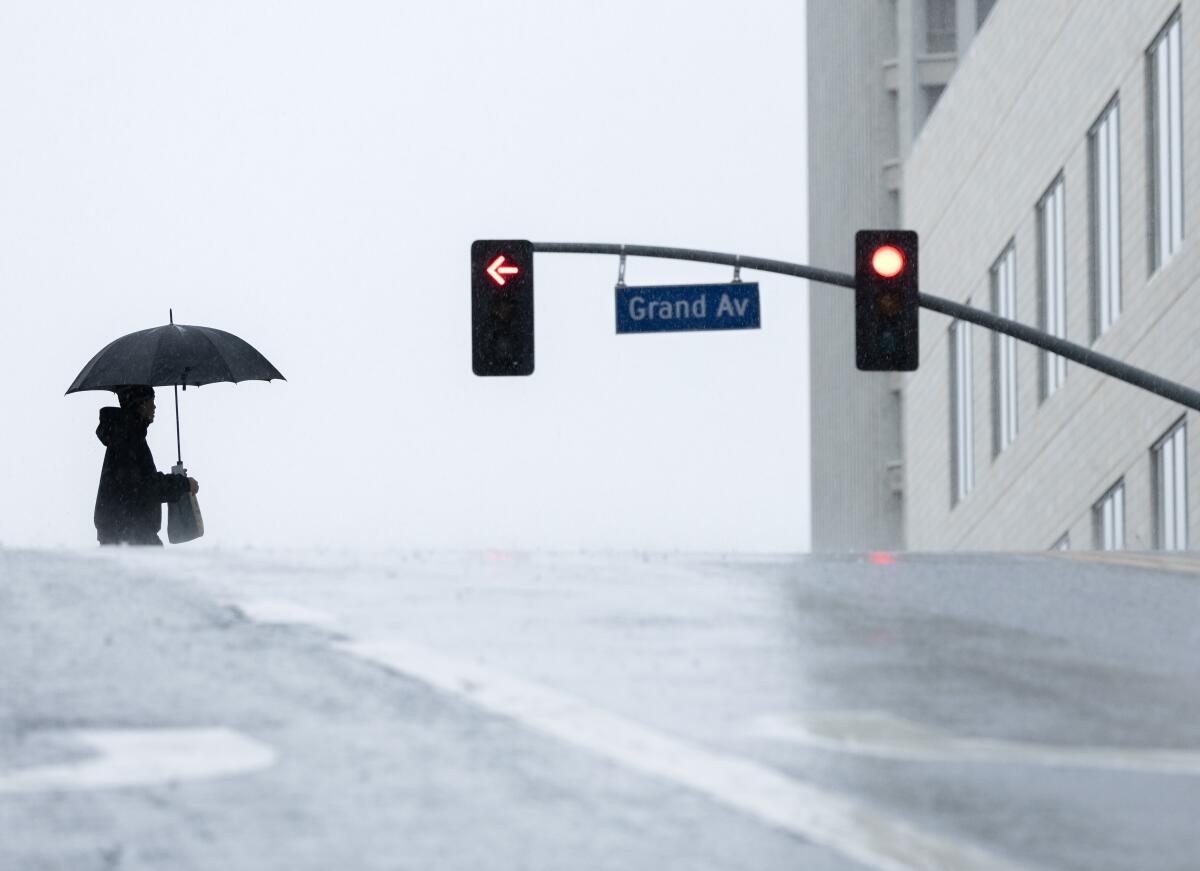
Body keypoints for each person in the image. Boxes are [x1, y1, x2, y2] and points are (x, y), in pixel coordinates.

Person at [94, 385, 199, 546]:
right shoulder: (129, 437)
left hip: (122, 535)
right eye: (151, 400)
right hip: (132, 537)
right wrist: (183, 483)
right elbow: (147, 487)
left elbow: (140, 483)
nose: (154, 406)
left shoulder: (125, 434)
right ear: (140, 404)